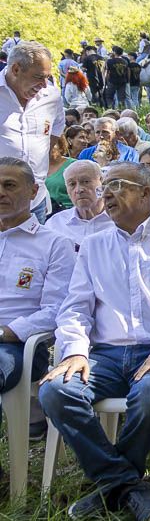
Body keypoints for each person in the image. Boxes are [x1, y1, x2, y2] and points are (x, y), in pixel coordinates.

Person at [39, 162, 150, 521]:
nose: (106, 192)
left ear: (147, 193)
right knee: (55, 391)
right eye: (106, 185)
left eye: (118, 184)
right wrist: (74, 350)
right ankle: (125, 485)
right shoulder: (94, 245)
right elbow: (74, 307)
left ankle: (111, 488)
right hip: (104, 355)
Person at [0, 158, 74, 454]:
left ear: (33, 191)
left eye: (9, 185)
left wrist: (5, 332)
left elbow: (58, 310)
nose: (1, 193)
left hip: (17, 345)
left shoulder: (54, 244)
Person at [0, 42, 66, 222]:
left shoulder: (52, 96)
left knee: (36, 250)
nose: (44, 85)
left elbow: (57, 127)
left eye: (48, 77)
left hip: (35, 201)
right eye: (38, 77)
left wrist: (42, 153)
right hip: (2, 201)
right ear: (15, 69)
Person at [44, 160, 115, 247]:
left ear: (102, 182)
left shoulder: (119, 221)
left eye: (86, 182)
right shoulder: (55, 224)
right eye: (72, 184)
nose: (79, 190)